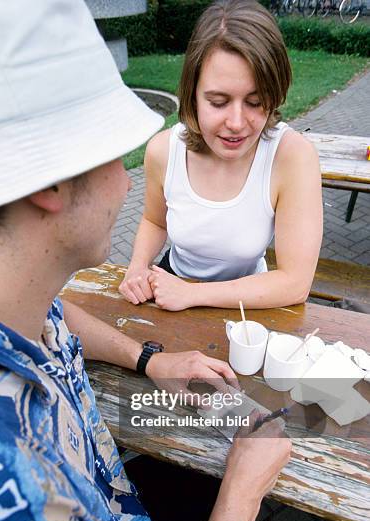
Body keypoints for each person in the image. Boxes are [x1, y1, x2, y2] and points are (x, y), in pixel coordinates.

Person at [0, 1, 291, 521]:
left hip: (122, 519)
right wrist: (245, 492)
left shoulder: (8, 298)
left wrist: (149, 359)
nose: (127, 177)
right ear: (49, 181)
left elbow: (57, 316)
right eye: (117, 154)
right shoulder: (2, 504)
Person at [119, 0, 323, 312]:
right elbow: (153, 220)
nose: (237, 123)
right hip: (170, 288)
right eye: (218, 102)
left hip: (251, 300)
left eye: (256, 102)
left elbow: (295, 283)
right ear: (193, 95)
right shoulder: (163, 151)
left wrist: (192, 295)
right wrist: (137, 267)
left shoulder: (292, 157)